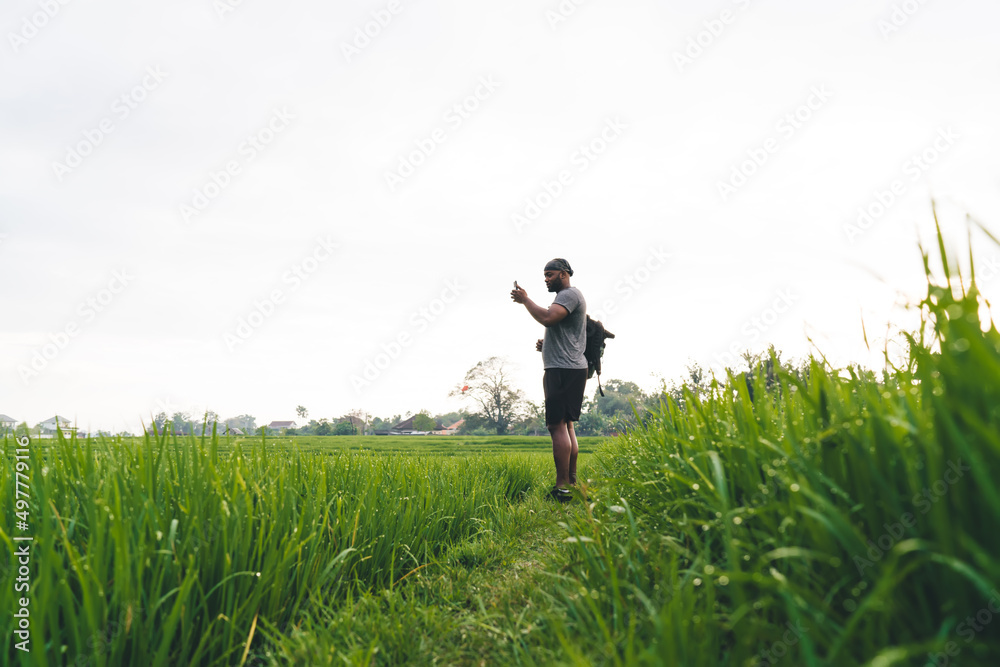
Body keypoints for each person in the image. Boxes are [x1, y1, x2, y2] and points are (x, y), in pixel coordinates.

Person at [510, 258, 587, 502]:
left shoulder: (568, 295)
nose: (546, 279)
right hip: (570, 367)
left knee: (556, 426)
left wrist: (525, 300)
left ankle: (561, 487)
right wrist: (547, 345)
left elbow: (547, 318)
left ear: (564, 274)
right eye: (544, 275)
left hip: (562, 369)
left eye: (550, 274)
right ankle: (572, 482)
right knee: (567, 425)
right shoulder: (570, 296)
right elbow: (567, 331)